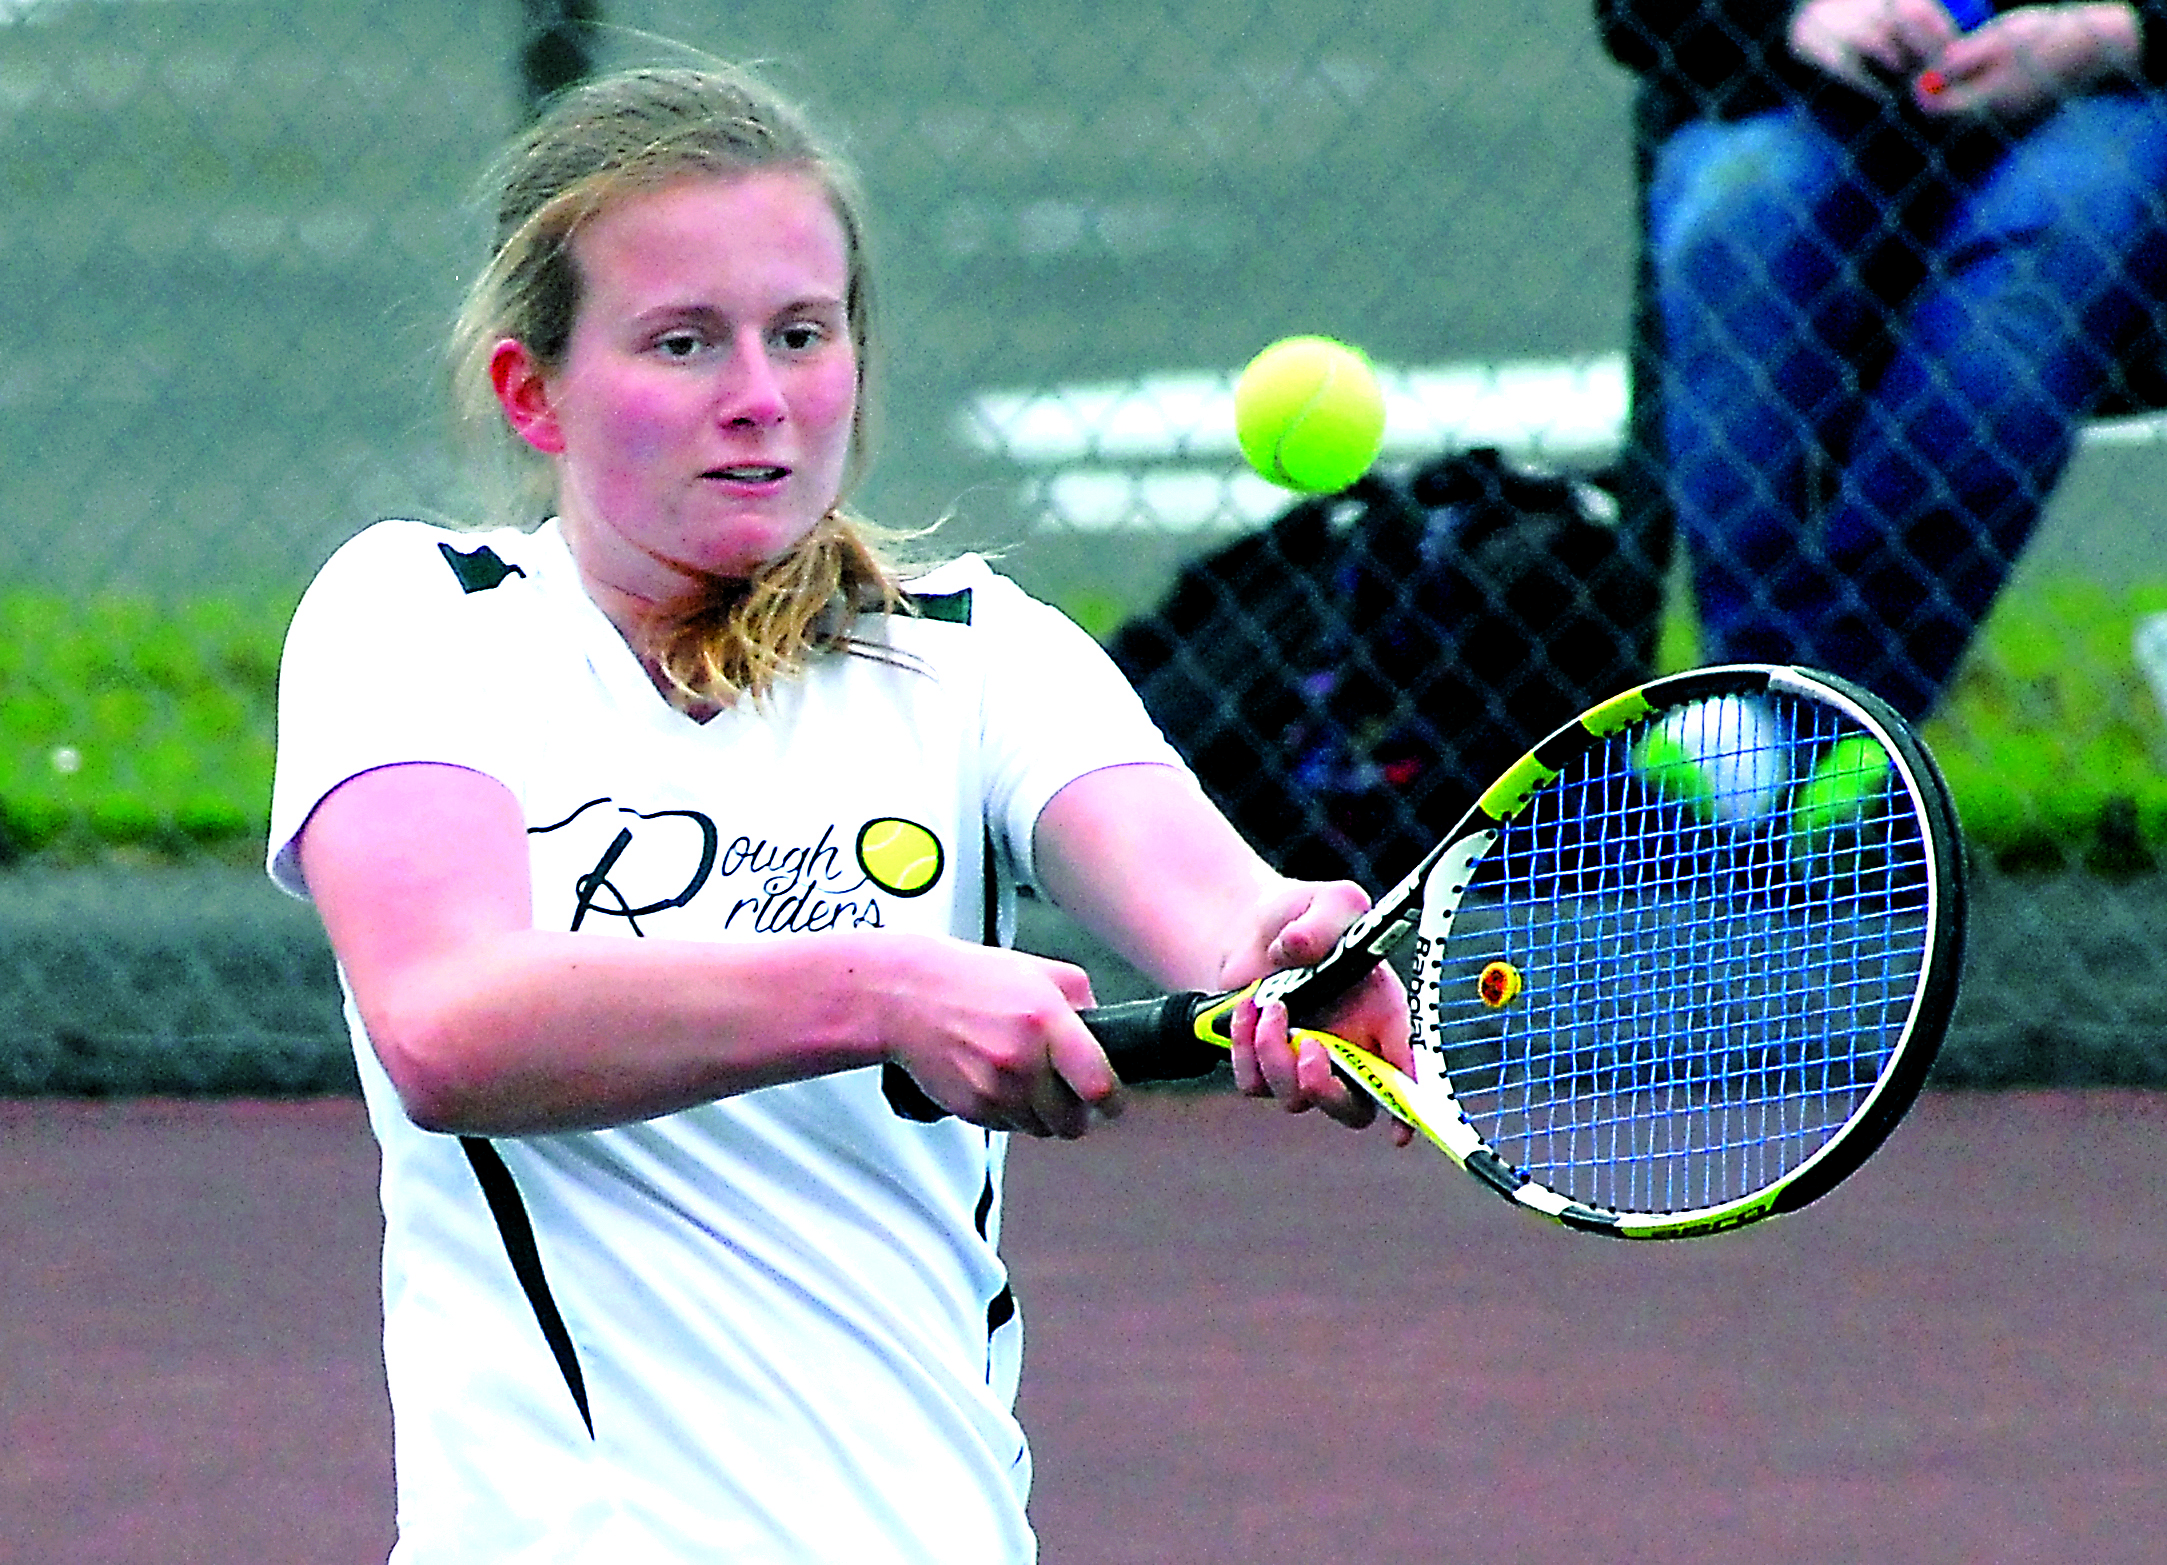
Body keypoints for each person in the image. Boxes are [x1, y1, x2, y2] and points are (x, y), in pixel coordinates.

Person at [264, 63, 1410, 1564]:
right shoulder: (421, 617)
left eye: (800, 334)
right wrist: (885, 990)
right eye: (682, 342)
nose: (758, 396)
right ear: (531, 393)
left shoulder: (973, 654)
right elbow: (448, 1023)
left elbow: (1216, 908)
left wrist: (1293, 949)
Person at [1598, 0, 2167, 720]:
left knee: (2005, 325)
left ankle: (1782, 737)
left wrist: (2113, 35)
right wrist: (1796, 19)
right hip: (1797, 85)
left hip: (2106, 93)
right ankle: (1777, 716)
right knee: (1738, 226)